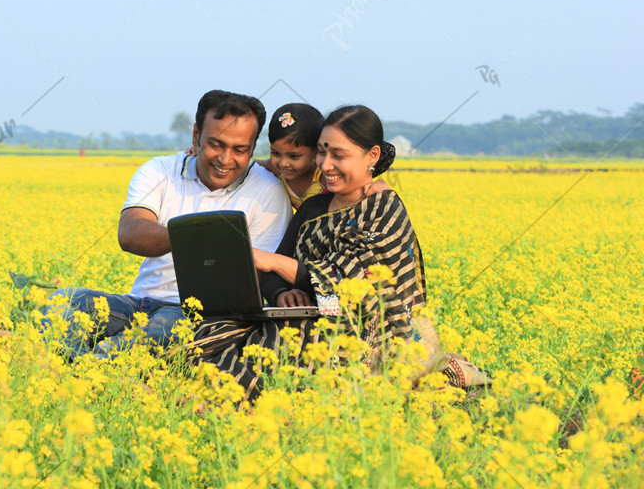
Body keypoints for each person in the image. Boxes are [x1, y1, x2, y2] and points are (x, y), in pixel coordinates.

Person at [192, 105, 489, 401]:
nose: (326, 163)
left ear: (371, 156)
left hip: (374, 335)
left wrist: (275, 262)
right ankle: (222, 390)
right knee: (212, 330)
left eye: (339, 155)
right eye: (322, 152)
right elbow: (270, 273)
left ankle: (238, 395)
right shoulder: (312, 209)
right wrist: (282, 292)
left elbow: (351, 285)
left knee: (292, 346)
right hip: (311, 316)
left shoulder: (383, 207)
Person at [45, 90, 292, 360]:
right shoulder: (160, 170)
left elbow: (253, 281)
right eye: (216, 144)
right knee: (64, 301)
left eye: (240, 149)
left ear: (253, 147)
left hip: (197, 315)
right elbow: (130, 234)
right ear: (196, 136)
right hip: (136, 303)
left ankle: (87, 368)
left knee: (164, 329)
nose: (225, 159)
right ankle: (74, 369)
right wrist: (201, 238)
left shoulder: (269, 191)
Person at [256, 103, 389, 209]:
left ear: (315, 151)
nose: (284, 163)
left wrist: (380, 186)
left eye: (294, 156)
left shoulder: (324, 176)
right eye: (276, 153)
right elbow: (248, 165)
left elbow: (359, 182)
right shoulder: (273, 169)